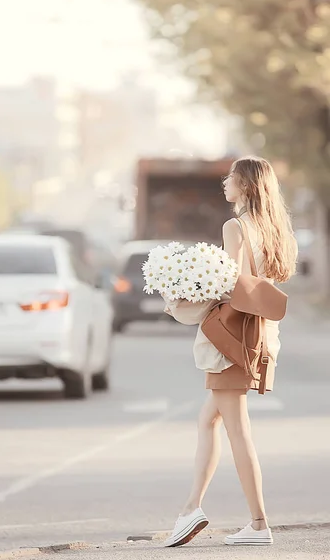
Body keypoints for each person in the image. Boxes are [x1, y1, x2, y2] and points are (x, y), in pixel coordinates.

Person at [163, 156, 298, 548]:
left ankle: (258, 523)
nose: (225, 182)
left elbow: (231, 284)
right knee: (209, 422)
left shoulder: (235, 226)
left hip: (232, 340)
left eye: (231, 178)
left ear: (247, 186)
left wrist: (182, 292)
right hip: (260, 335)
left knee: (238, 431)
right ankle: (191, 509)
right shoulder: (275, 229)